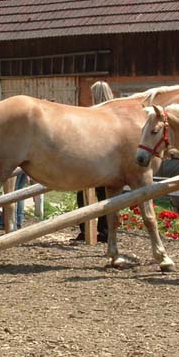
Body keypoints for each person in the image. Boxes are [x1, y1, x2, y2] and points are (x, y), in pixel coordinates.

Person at [75, 80, 114, 242]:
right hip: (110, 162)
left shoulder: (93, 114)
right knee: (105, 197)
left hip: (93, 161)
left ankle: (86, 230)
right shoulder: (115, 114)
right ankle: (105, 231)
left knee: (83, 196)